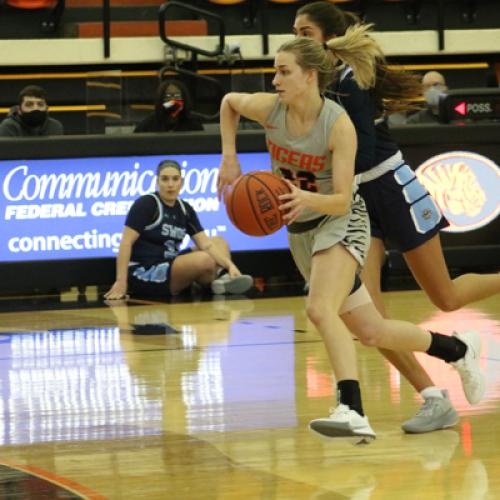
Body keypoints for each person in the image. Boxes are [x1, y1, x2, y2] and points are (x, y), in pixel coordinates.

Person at [216, 35, 485, 441]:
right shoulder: (270, 110)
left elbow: (342, 200)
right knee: (371, 330)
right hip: (300, 231)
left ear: (309, 76)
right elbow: (228, 104)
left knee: (320, 309)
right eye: (274, 71)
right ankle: (457, 350)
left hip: (341, 222)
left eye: (283, 71)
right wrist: (229, 157)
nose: (274, 80)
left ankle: (351, 408)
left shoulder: (338, 124)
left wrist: (306, 196)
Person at [293, 1, 499, 433]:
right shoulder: (311, 84)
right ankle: (434, 397)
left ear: (328, 37)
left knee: (445, 297)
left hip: (389, 190)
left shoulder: (350, 82)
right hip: (355, 202)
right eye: (294, 30)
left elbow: (364, 153)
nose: (297, 38)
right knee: (368, 318)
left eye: (305, 31)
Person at [104, 159, 253, 300]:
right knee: (204, 260)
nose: (170, 184)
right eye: (165, 179)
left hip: (170, 263)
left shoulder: (185, 209)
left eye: (175, 179)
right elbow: (125, 243)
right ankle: (211, 280)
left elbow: (206, 244)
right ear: (157, 182)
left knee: (219, 242)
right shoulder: (146, 204)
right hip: (146, 271)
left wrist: (230, 265)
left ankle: (222, 279)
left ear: (181, 182)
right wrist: (121, 282)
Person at [134, 79, 203, 133]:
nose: (173, 101)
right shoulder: (147, 125)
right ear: (161, 100)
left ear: (184, 99)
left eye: (177, 96)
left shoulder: (194, 125)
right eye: (168, 97)